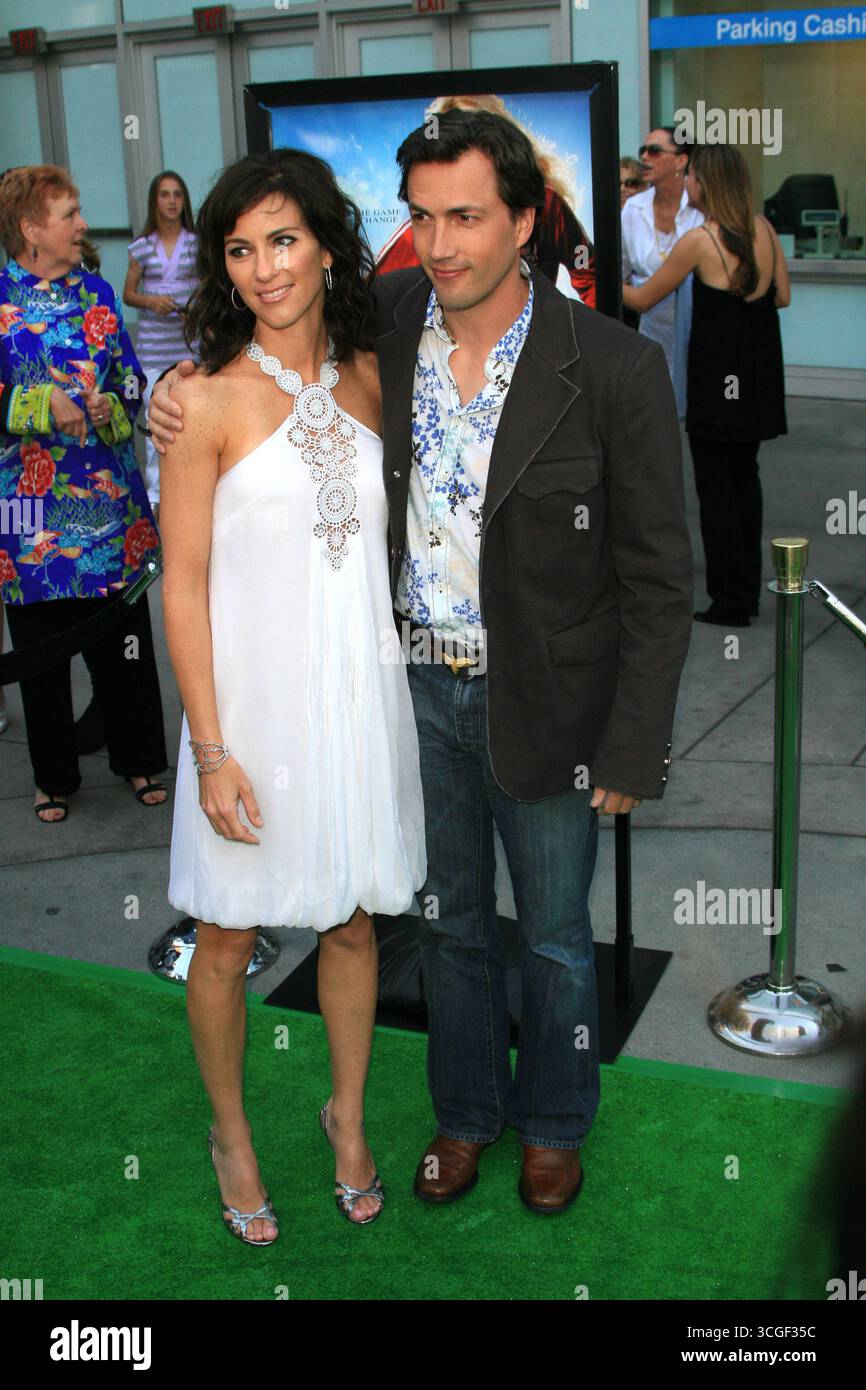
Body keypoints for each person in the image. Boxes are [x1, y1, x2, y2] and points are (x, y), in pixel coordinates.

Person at [149, 110, 693, 1215]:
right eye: (421, 217)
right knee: (442, 928)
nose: (440, 243)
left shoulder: (613, 366)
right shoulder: (387, 330)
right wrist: (175, 394)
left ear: (525, 219)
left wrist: (631, 739)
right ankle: (463, 1116)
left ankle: (550, 1122)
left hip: (541, 697)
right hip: (404, 694)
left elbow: (657, 576)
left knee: (549, 939)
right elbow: (265, 356)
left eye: (466, 217)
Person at [157, 148, 426, 1242]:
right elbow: (179, 582)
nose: (264, 267)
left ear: (324, 243)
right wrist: (212, 751)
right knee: (227, 936)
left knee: (354, 923)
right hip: (247, 715)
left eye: (283, 239)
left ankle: (346, 1119)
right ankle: (231, 1135)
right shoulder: (203, 399)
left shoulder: (370, 369)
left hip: (358, 701)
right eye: (239, 247)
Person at [0, 165, 167, 820]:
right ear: (29, 229)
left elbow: (133, 384)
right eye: (68, 214)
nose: (81, 225)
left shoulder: (98, 295)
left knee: (123, 647)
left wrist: (107, 405)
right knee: (41, 657)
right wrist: (44, 403)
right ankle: (54, 776)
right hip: (29, 518)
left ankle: (137, 759)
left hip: (108, 514)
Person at [623, 142, 790, 627]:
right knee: (745, 484)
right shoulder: (764, 230)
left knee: (715, 492)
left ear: (708, 183)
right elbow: (782, 295)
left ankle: (729, 601)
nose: (688, 181)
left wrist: (594, 280)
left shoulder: (701, 241)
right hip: (757, 378)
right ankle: (747, 593)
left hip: (717, 383)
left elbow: (643, 297)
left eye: (693, 175)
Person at [376, 93, 597, 307]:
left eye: (465, 218)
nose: (439, 250)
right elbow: (367, 301)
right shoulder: (419, 234)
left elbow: (590, 272)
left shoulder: (548, 206)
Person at [123, 171, 199, 521]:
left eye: (177, 195)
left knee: (191, 418)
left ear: (184, 202)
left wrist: (196, 311)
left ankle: (193, 489)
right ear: (155, 201)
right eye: (165, 195)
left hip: (189, 344)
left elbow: (208, 286)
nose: (171, 201)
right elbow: (128, 293)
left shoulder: (197, 243)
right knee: (157, 420)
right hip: (154, 348)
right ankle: (157, 496)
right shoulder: (143, 245)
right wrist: (152, 302)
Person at [621, 126, 704, 378]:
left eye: (655, 151)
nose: (645, 156)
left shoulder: (700, 209)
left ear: (681, 160)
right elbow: (621, 270)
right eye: (643, 150)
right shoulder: (634, 209)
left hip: (697, 331)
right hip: (650, 332)